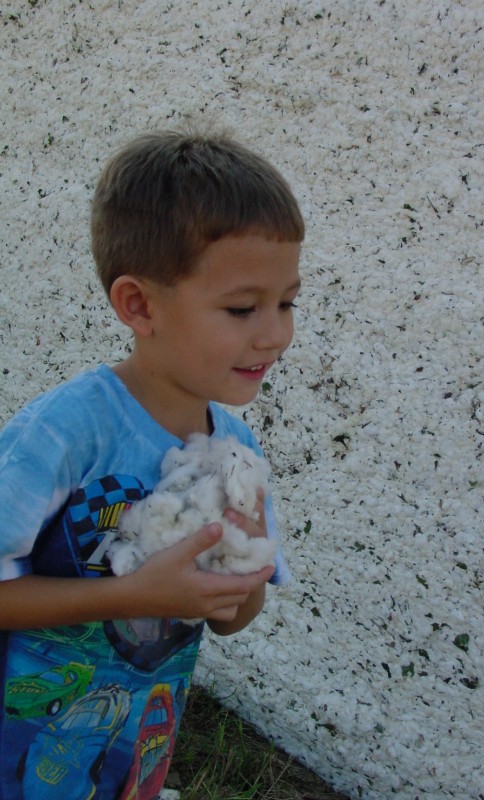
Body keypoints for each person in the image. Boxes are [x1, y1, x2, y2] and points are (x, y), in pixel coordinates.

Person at [0, 128, 304, 799]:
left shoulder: (235, 452)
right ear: (139, 305)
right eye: (243, 307)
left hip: (135, 744)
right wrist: (133, 595)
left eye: (288, 302)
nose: (276, 333)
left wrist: (244, 567)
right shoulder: (66, 432)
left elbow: (233, 618)